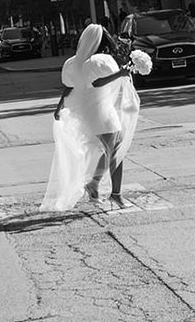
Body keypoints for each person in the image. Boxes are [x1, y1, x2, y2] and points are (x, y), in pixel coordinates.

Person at [41, 22, 140, 212]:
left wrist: (59, 107)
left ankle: (94, 184)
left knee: (108, 150)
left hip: (89, 112)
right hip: (101, 112)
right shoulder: (97, 61)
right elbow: (96, 83)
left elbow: (69, 87)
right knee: (117, 152)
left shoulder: (73, 63)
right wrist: (121, 73)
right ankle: (116, 194)